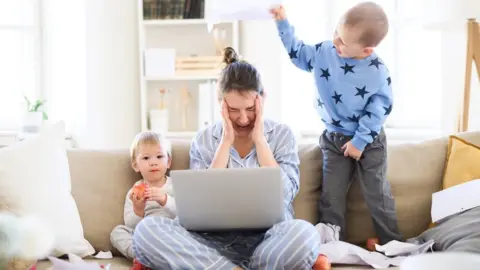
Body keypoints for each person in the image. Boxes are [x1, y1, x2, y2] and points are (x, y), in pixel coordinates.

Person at [132, 47, 324, 270]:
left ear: (262, 99)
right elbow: (201, 205)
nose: (243, 119)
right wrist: (225, 142)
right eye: (233, 110)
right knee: (146, 232)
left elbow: (284, 197)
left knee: (305, 235)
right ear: (221, 104)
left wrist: (260, 141)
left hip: (269, 241)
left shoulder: (281, 135)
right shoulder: (205, 139)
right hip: (209, 243)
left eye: (250, 108)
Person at [270, 2, 403, 245]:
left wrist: (360, 141)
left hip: (369, 140)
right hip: (334, 138)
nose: (335, 42)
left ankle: (392, 243)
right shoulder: (324, 52)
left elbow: (379, 109)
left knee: (377, 194)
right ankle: (330, 246)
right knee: (331, 196)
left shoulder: (377, 72)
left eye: (343, 41)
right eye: (336, 34)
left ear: (366, 50)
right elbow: (298, 54)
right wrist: (282, 22)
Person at [110, 131, 176, 268]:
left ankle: (151, 257)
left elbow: (184, 214)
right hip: (145, 238)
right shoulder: (134, 192)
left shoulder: (175, 185)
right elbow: (131, 225)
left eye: (159, 156)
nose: (153, 162)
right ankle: (142, 256)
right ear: (135, 165)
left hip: (170, 233)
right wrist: (138, 211)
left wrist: (165, 200)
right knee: (118, 232)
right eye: (146, 158)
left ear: (168, 162)